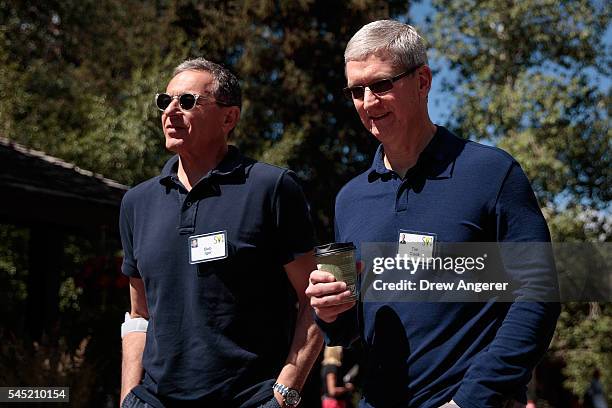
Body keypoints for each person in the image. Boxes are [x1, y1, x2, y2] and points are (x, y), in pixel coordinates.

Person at [305, 20, 560, 408]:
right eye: (356, 91)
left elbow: (539, 294)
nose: (368, 101)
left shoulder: (491, 173)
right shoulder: (350, 198)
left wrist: (473, 399)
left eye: (381, 84)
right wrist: (330, 311)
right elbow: (349, 328)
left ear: (422, 81)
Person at [119, 57, 323, 408]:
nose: (171, 111)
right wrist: (128, 398)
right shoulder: (137, 202)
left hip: (249, 399)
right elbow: (139, 315)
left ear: (229, 118)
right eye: (164, 101)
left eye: (187, 102)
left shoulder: (271, 188)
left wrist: (285, 394)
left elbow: (314, 299)